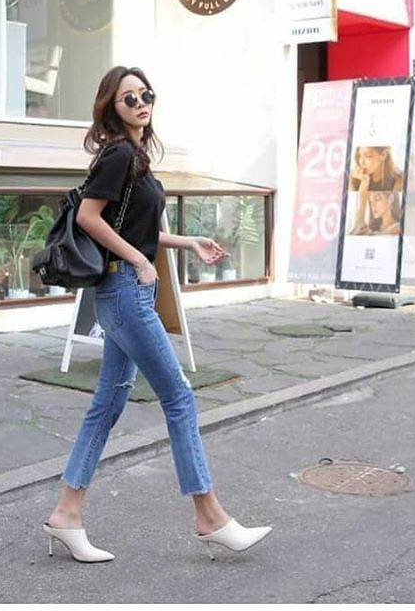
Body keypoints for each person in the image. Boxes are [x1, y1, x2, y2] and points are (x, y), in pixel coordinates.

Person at [42, 66, 272, 563]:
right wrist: (140, 261)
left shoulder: (136, 157)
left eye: (146, 94)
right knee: (179, 398)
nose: (141, 103)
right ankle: (210, 517)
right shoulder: (119, 154)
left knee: (107, 404)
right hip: (126, 293)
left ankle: (66, 513)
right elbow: (88, 217)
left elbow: (137, 228)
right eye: (129, 98)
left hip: (125, 293)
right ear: (111, 107)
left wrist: (186, 241)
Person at [349, 146, 403, 234]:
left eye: (368, 156)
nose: (361, 162)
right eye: (359, 156)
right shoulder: (355, 178)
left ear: (383, 155)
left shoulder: (398, 181)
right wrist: (361, 183)